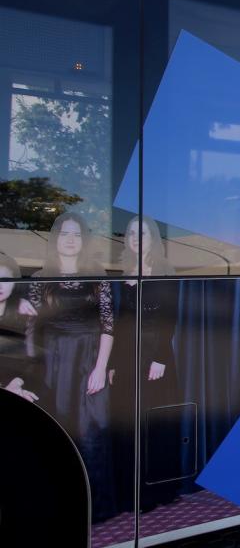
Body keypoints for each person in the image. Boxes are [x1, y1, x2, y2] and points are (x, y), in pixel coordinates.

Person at [26, 212, 115, 521]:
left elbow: (108, 325)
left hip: (89, 359)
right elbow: (30, 328)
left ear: (84, 240)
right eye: (65, 233)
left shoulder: (97, 275)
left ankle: (96, 510)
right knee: (56, 433)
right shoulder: (39, 278)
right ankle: (59, 507)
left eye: (77, 234)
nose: (71, 239)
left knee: (93, 433)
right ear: (55, 238)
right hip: (52, 363)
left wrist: (101, 368)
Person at [109, 215, 181, 512]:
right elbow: (119, 322)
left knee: (153, 427)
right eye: (131, 232)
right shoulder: (123, 270)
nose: (137, 237)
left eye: (143, 232)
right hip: (126, 357)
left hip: (155, 357)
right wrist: (112, 362)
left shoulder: (164, 270)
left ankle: (156, 494)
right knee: (128, 427)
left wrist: (161, 358)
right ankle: (130, 493)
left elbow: (170, 318)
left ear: (153, 237)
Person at [0, 252, 39, 403]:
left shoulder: (24, 314)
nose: (1, 286)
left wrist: (15, 385)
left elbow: (31, 360)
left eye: (6, 280)